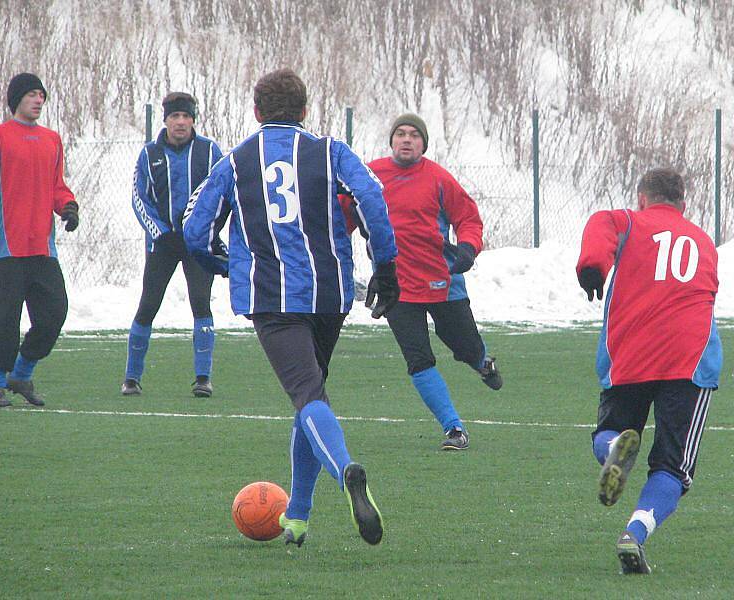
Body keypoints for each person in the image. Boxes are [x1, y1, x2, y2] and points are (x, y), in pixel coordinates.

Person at [183, 68, 399, 547]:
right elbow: (373, 200)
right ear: (305, 111)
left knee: (307, 397)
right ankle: (297, 516)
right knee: (310, 394)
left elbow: (194, 229)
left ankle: (346, 472)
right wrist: (385, 267)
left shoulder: (235, 161)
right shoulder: (330, 150)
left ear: (256, 112)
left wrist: (218, 262)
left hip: (272, 297)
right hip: (329, 295)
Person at [576, 167, 722, 575]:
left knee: (609, 431)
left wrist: (592, 267)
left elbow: (600, 224)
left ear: (642, 198)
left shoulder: (627, 220)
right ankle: (634, 533)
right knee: (673, 467)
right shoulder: (703, 241)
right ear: (684, 205)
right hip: (689, 360)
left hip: (632, 351)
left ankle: (612, 453)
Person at [344, 113, 502, 451]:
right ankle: (454, 429)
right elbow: (342, 215)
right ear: (391, 141)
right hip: (395, 286)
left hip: (443, 282)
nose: (406, 139)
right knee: (418, 359)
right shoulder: (370, 177)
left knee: (464, 346)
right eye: (400, 133)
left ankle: (483, 363)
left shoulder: (439, 179)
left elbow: (469, 219)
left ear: (423, 144)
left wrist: (469, 249)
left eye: (414, 135)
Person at [0, 72, 79, 408]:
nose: (38, 100)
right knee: (7, 318)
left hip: (42, 246)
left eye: (41, 95)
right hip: (7, 244)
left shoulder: (52, 140)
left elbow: (57, 186)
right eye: (32, 94)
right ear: (17, 99)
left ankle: (22, 371)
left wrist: (68, 206)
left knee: (55, 313)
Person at [122, 92, 223, 398]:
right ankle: (131, 378)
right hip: (162, 243)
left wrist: (207, 231)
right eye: (175, 117)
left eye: (186, 116)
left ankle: (203, 378)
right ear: (165, 120)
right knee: (148, 305)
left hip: (197, 244)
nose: (180, 122)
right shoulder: (149, 153)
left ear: (194, 120)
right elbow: (139, 198)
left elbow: (222, 193)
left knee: (201, 303)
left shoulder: (209, 151)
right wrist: (160, 232)